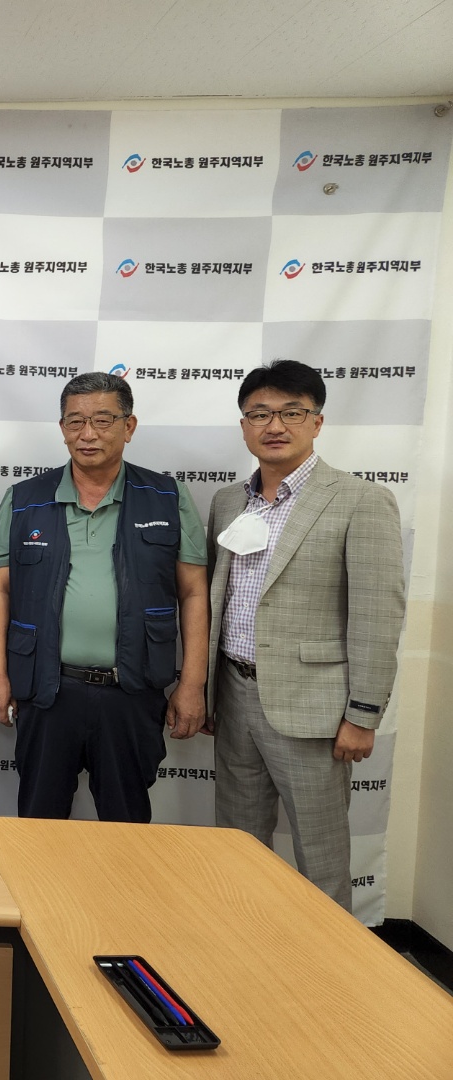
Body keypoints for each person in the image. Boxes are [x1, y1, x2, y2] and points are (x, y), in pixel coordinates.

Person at [207, 360, 404, 911]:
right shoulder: (228, 502)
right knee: (237, 845)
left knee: (320, 856)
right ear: (244, 426)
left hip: (314, 710)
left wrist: (363, 715)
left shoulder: (360, 500)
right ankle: (244, 944)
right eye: (260, 414)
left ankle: (329, 959)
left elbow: (378, 615)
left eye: (292, 412)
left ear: (317, 422)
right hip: (234, 695)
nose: (275, 425)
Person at [0, 371, 208, 822]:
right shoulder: (24, 499)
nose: (88, 434)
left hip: (132, 692)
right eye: (75, 421)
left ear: (129, 426)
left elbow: (193, 592)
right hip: (47, 691)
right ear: (63, 428)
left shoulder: (166, 497)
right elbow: (0, 590)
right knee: (40, 824)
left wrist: (192, 684)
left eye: (103, 420)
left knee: (125, 827)